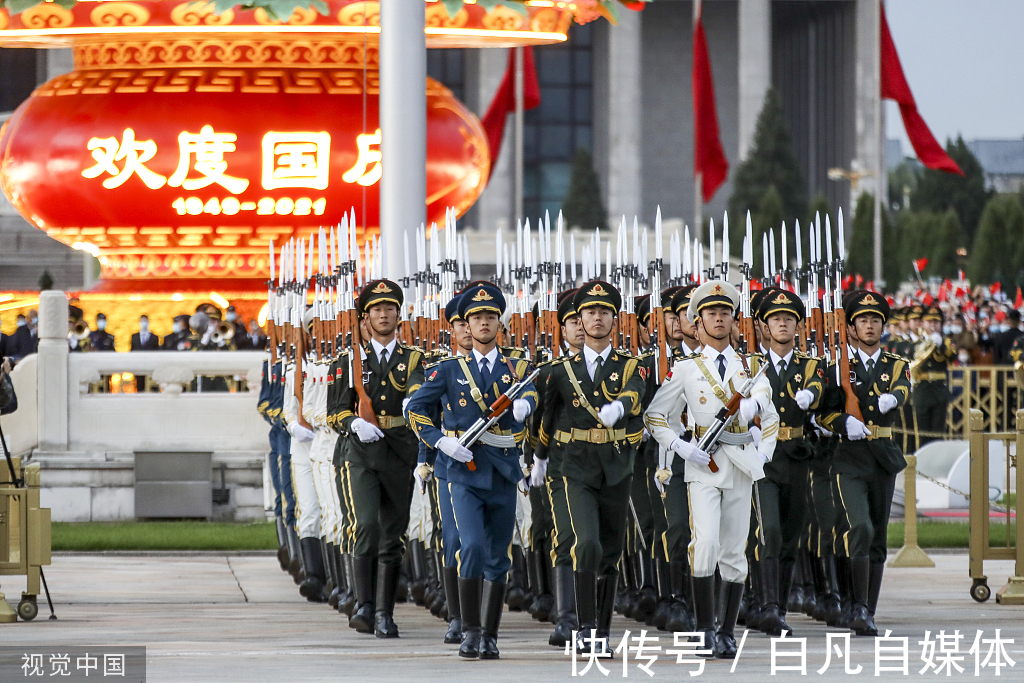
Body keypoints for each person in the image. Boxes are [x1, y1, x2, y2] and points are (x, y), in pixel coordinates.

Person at [644, 280, 778, 659]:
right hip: (702, 463)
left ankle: (725, 631)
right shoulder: (686, 369)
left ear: (735, 322)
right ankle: (704, 628)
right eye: (711, 314)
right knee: (704, 545)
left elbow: (769, 413)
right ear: (697, 322)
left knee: (735, 551)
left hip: (739, 464)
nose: (719, 319)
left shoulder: (750, 366)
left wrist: (762, 451)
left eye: (725, 314)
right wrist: (680, 446)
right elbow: (656, 415)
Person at [407, 282, 537, 660]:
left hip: (503, 472)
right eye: (476, 317)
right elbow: (415, 410)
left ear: (500, 323)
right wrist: (438, 442)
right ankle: (469, 629)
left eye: (490, 317)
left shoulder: (517, 366)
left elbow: (531, 392)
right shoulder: (449, 370)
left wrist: (525, 405)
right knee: (472, 547)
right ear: (465, 323)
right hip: (461, 472)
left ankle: (490, 635)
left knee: (499, 555)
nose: (483, 323)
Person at [537, 280, 646, 657]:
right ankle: (584, 627)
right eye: (589, 313)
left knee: (611, 552)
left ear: (614, 320)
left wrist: (623, 407)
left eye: (603, 312)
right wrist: (537, 457)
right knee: (586, 542)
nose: (596, 318)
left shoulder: (630, 364)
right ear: (579, 320)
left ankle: (602, 632)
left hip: (616, 465)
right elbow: (546, 414)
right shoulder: (561, 370)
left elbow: (635, 390)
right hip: (575, 465)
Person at [333, 279, 425, 639]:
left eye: (389, 308)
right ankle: (364, 605)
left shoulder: (414, 358)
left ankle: (385, 612)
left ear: (399, 315)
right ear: (365, 317)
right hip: (361, 454)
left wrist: (413, 401)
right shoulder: (350, 360)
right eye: (376, 310)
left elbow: (418, 387)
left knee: (393, 534)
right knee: (366, 526)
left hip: (400, 451)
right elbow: (334, 412)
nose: (383, 314)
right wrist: (355, 422)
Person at [818, 291, 911, 637]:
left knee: (878, 538)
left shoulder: (895, 365)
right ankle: (855, 604)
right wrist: (843, 423)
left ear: (882, 326)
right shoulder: (840, 368)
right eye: (862, 321)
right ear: (853, 327)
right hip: (850, 460)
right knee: (860, 528)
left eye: (875, 320)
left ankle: (867, 610)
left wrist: (893, 397)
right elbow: (825, 412)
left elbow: (903, 388)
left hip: (882, 458)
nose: (869, 326)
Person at [751, 289, 823, 636]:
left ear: (797, 326)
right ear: (764, 326)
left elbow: (820, 388)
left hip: (794, 456)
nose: (782, 323)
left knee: (792, 534)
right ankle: (767, 606)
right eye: (776, 319)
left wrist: (812, 397)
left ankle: (777, 607)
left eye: (789, 319)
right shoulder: (750, 365)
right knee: (770, 532)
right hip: (761, 457)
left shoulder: (809, 366)